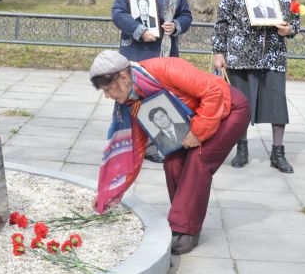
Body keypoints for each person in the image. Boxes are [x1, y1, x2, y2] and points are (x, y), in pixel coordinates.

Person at [90, 50, 249, 255]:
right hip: (192, 122)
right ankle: (186, 224)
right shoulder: (131, 100)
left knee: (198, 161)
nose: (107, 96)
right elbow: (134, 152)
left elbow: (214, 93)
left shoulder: (166, 69)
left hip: (229, 109)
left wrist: (198, 133)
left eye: (107, 89)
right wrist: (108, 192)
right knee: (172, 163)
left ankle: (183, 228)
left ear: (123, 77)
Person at [212, 0, 298, 173]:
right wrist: (219, 51)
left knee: (277, 104)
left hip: (272, 56)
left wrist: (289, 29)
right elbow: (222, 19)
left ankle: (278, 152)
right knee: (241, 105)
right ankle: (241, 149)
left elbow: (294, 18)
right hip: (240, 56)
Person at [112, 0, 193, 164]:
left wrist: (176, 25)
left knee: (160, 99)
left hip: (165, 55)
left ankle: (155, 145)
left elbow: (186, 15)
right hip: (137, 52)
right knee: (130, 98)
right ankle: (127, 144)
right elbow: (118, 13)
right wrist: (139, 30)